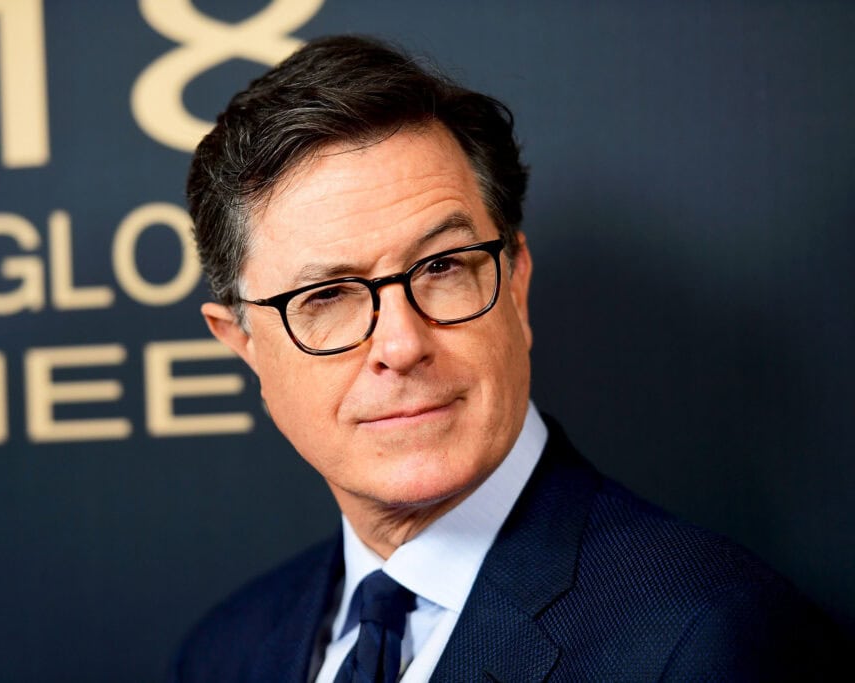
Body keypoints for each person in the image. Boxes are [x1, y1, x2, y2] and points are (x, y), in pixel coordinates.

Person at [169, 35, 841, 682]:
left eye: (442, 266)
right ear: (245, 346)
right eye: (328, 296)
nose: (402, 345)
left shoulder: (707, 639)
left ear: (516, 286)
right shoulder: (224, 652)